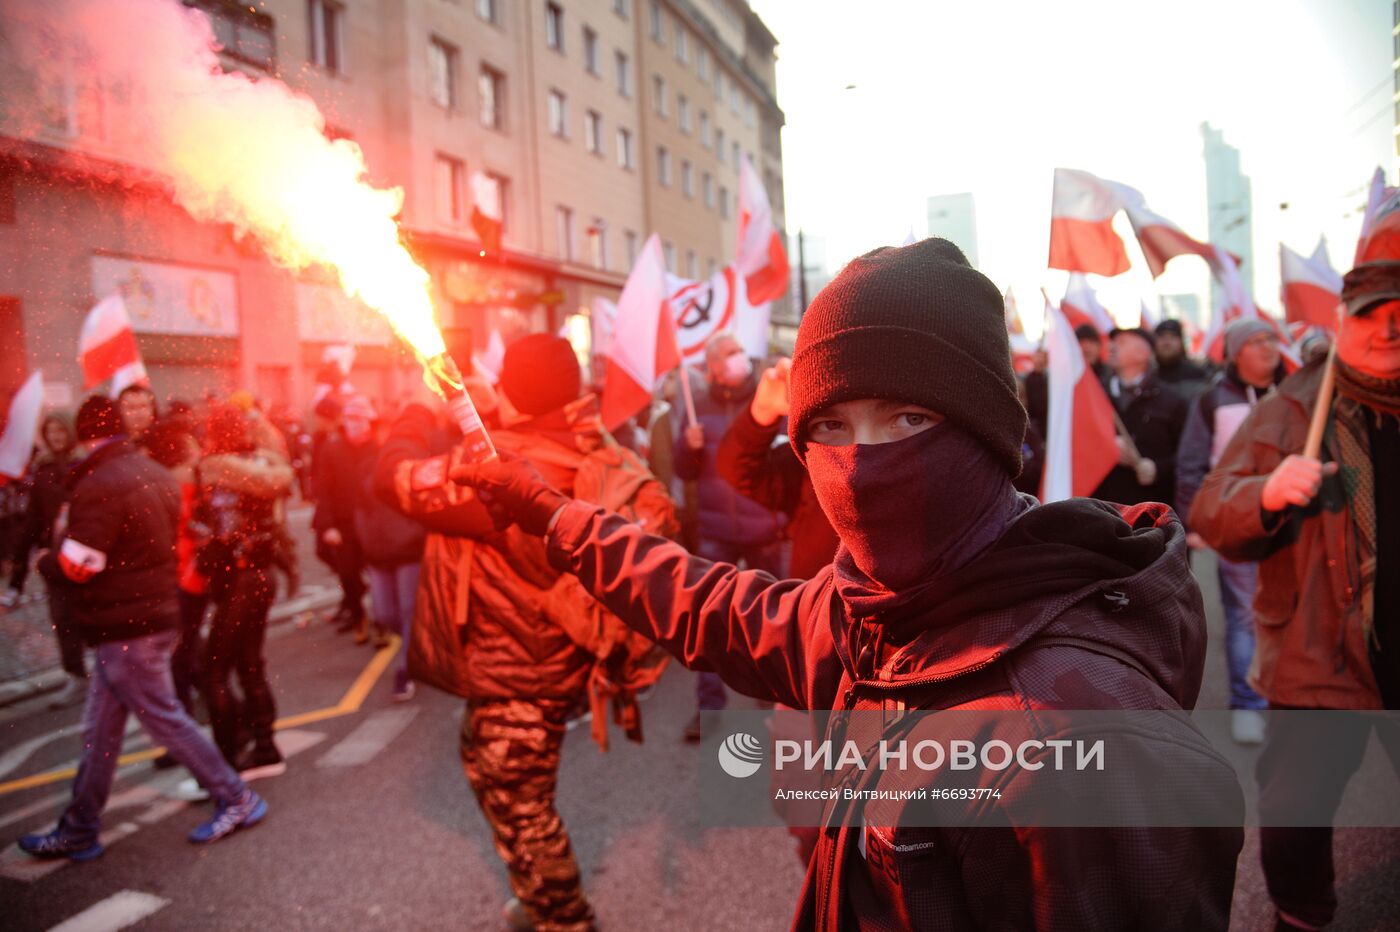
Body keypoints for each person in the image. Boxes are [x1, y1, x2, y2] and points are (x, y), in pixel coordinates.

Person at [455, 238, 1243, 930]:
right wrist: (552, 516)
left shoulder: (1078, 734)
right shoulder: (879, 613)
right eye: (831, 427)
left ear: (988, 432)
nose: (863, 465)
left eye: (906, 420)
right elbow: (720, 608)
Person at [375, 334, 672, 932]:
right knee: (501, 778)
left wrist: (421, 408)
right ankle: (539, 897)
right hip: (565, 657)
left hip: (516, 670)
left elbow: (394, 479)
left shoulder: (495, 469)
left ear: (510, 392)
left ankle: (564, 917)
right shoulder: (608, 454)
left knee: (520, 802)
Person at [1190, 204, 1400, 931]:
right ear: (1343, 320)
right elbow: (1213, 512)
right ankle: (1300, 918)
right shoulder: (1289, 409)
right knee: (1295, 814)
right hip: (1319, 655)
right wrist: (1267, 494)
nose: (1391, 327)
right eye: (1374, 313)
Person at [22, 396, 265, 861]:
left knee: (162, 720)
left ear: (83, 434)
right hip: (149, 613)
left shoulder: (100, 483)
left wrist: (44, 560)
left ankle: (236, 797)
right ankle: (80, 827)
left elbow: (80, 564)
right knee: (101, 731)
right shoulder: (150, 471)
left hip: (125, 623)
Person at [1176, 318, 1286, 745]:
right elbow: (1192, 464)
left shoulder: (1295, 395)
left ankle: (1286, 701)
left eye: (1272, 338)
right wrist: (1195, 522)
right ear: (1237, 352)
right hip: (1238, 523)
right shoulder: (1211, 401)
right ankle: (1249, 704)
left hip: (1295, 528)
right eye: (1256, 341)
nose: (1268, 347)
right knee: (1243, 616)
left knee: (1292, 616)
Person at [674, 331, 784, 740]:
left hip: (763, 526)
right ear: (713, 366)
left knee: (772, 618)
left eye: (738, 350)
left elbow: (789, 456)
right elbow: (684, 470)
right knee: (708, 617)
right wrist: (689, 446)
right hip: (715, 528)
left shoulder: (767, 399)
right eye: (725, 355)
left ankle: (774, 695)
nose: (736, 359)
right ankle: (710, 708)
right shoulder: (695, 405)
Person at [195, 405, 294, 779]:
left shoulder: (215, 467)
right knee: (249, 663)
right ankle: (265, 746)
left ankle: (230, 754)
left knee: (215, 669)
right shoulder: (267, 464)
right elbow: (276, 482)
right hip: (260, 574)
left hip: (239, 576)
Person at [715, 357, 839, 581]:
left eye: (910, 419)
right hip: (813, 598)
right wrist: (761, 414)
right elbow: (739, 469)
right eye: (835, 424)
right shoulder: (816, 451)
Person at [347, 396, 425, 700]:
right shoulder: (368, 462)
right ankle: (412, 653)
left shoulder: (413, 458)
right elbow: (359, 505)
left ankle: (406, 670)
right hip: (378, 552)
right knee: (386, 614)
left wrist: (414, 533)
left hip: (407, 550)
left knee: (407, 612)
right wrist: (365, 538)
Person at [8, 414, 86, 707]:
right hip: (54, 558)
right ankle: (75, 676)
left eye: (59, 430)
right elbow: (32, 521)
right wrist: (17, 578)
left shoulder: (85, 464)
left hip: (84, 552)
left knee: (93, 617)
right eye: (49, 431)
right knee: (63, 619)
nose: (55, 436)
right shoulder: (42, 470)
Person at [1092, 324, 1188, 509]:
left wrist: (1157, 469)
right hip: (1104, 509)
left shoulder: (1171, 401)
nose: (1111, 347)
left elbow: (1187, 455)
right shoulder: (1097, 396)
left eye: (1121, 342)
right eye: (1112, 342)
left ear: (1143, 353)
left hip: (1152, 512)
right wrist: (1106, 446)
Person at [313, 394, 376, 641]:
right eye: (350, 418)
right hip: (344, 523)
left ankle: (381, 621)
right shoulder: (333, 447)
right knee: (347, 573)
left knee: (379, 576)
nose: (355, 423)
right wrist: (328, 524)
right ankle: (358, 615)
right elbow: (323, 490)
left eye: (360, 418)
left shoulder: (377, 447)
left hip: (372, 523)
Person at [1154, 318, 1212, 401]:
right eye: (1162, 337)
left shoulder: (1197, 374)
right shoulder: (1146, 376)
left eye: (1172, 337)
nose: (1166, 342)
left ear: (1181, 342)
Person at [116, 383, 159, 450]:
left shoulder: (166, 442)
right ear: (120, 410)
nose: (139, 413)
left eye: (143, 406)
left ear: (153, 407)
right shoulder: (113, 445)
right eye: (132, 407)